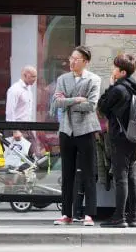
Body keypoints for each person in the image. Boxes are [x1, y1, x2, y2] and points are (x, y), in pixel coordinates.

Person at [52, 46, 101, 226]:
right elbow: (57, 102)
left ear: (85, 62)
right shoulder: (62, 78)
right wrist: (76, 100)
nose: (72, 62)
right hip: (66, 129)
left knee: (89, 172)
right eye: (71, 58)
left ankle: (89, 214)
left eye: (76, 59)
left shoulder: (94, 79)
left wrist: (68, 102)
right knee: (67, 173)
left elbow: (91, 105)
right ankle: (66, 214)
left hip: (86, 129)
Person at [97, 53, 136, 228]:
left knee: (121, 178)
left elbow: (102, 107)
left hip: (119, 138)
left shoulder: (118, 89)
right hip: (133, 137)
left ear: (122, 72)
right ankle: (133, 217)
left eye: (115, 67)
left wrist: (110, 86)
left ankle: (119, 217)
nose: (112, 69)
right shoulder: (135, 88)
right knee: (132, 176)